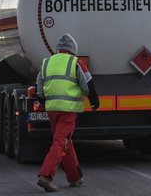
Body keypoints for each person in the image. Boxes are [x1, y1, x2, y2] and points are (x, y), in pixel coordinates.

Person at [36, 34, 99, 192]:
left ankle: (75, 177)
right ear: (73, 50)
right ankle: (46, 176)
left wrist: (47, 103)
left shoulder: (46, 63)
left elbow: (39, 90)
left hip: (52, 110)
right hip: (68, 111)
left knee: (65, 141)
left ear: (58, 49)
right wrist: (94, 101)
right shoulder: (76, 62)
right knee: (60, 143)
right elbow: (88, 85)